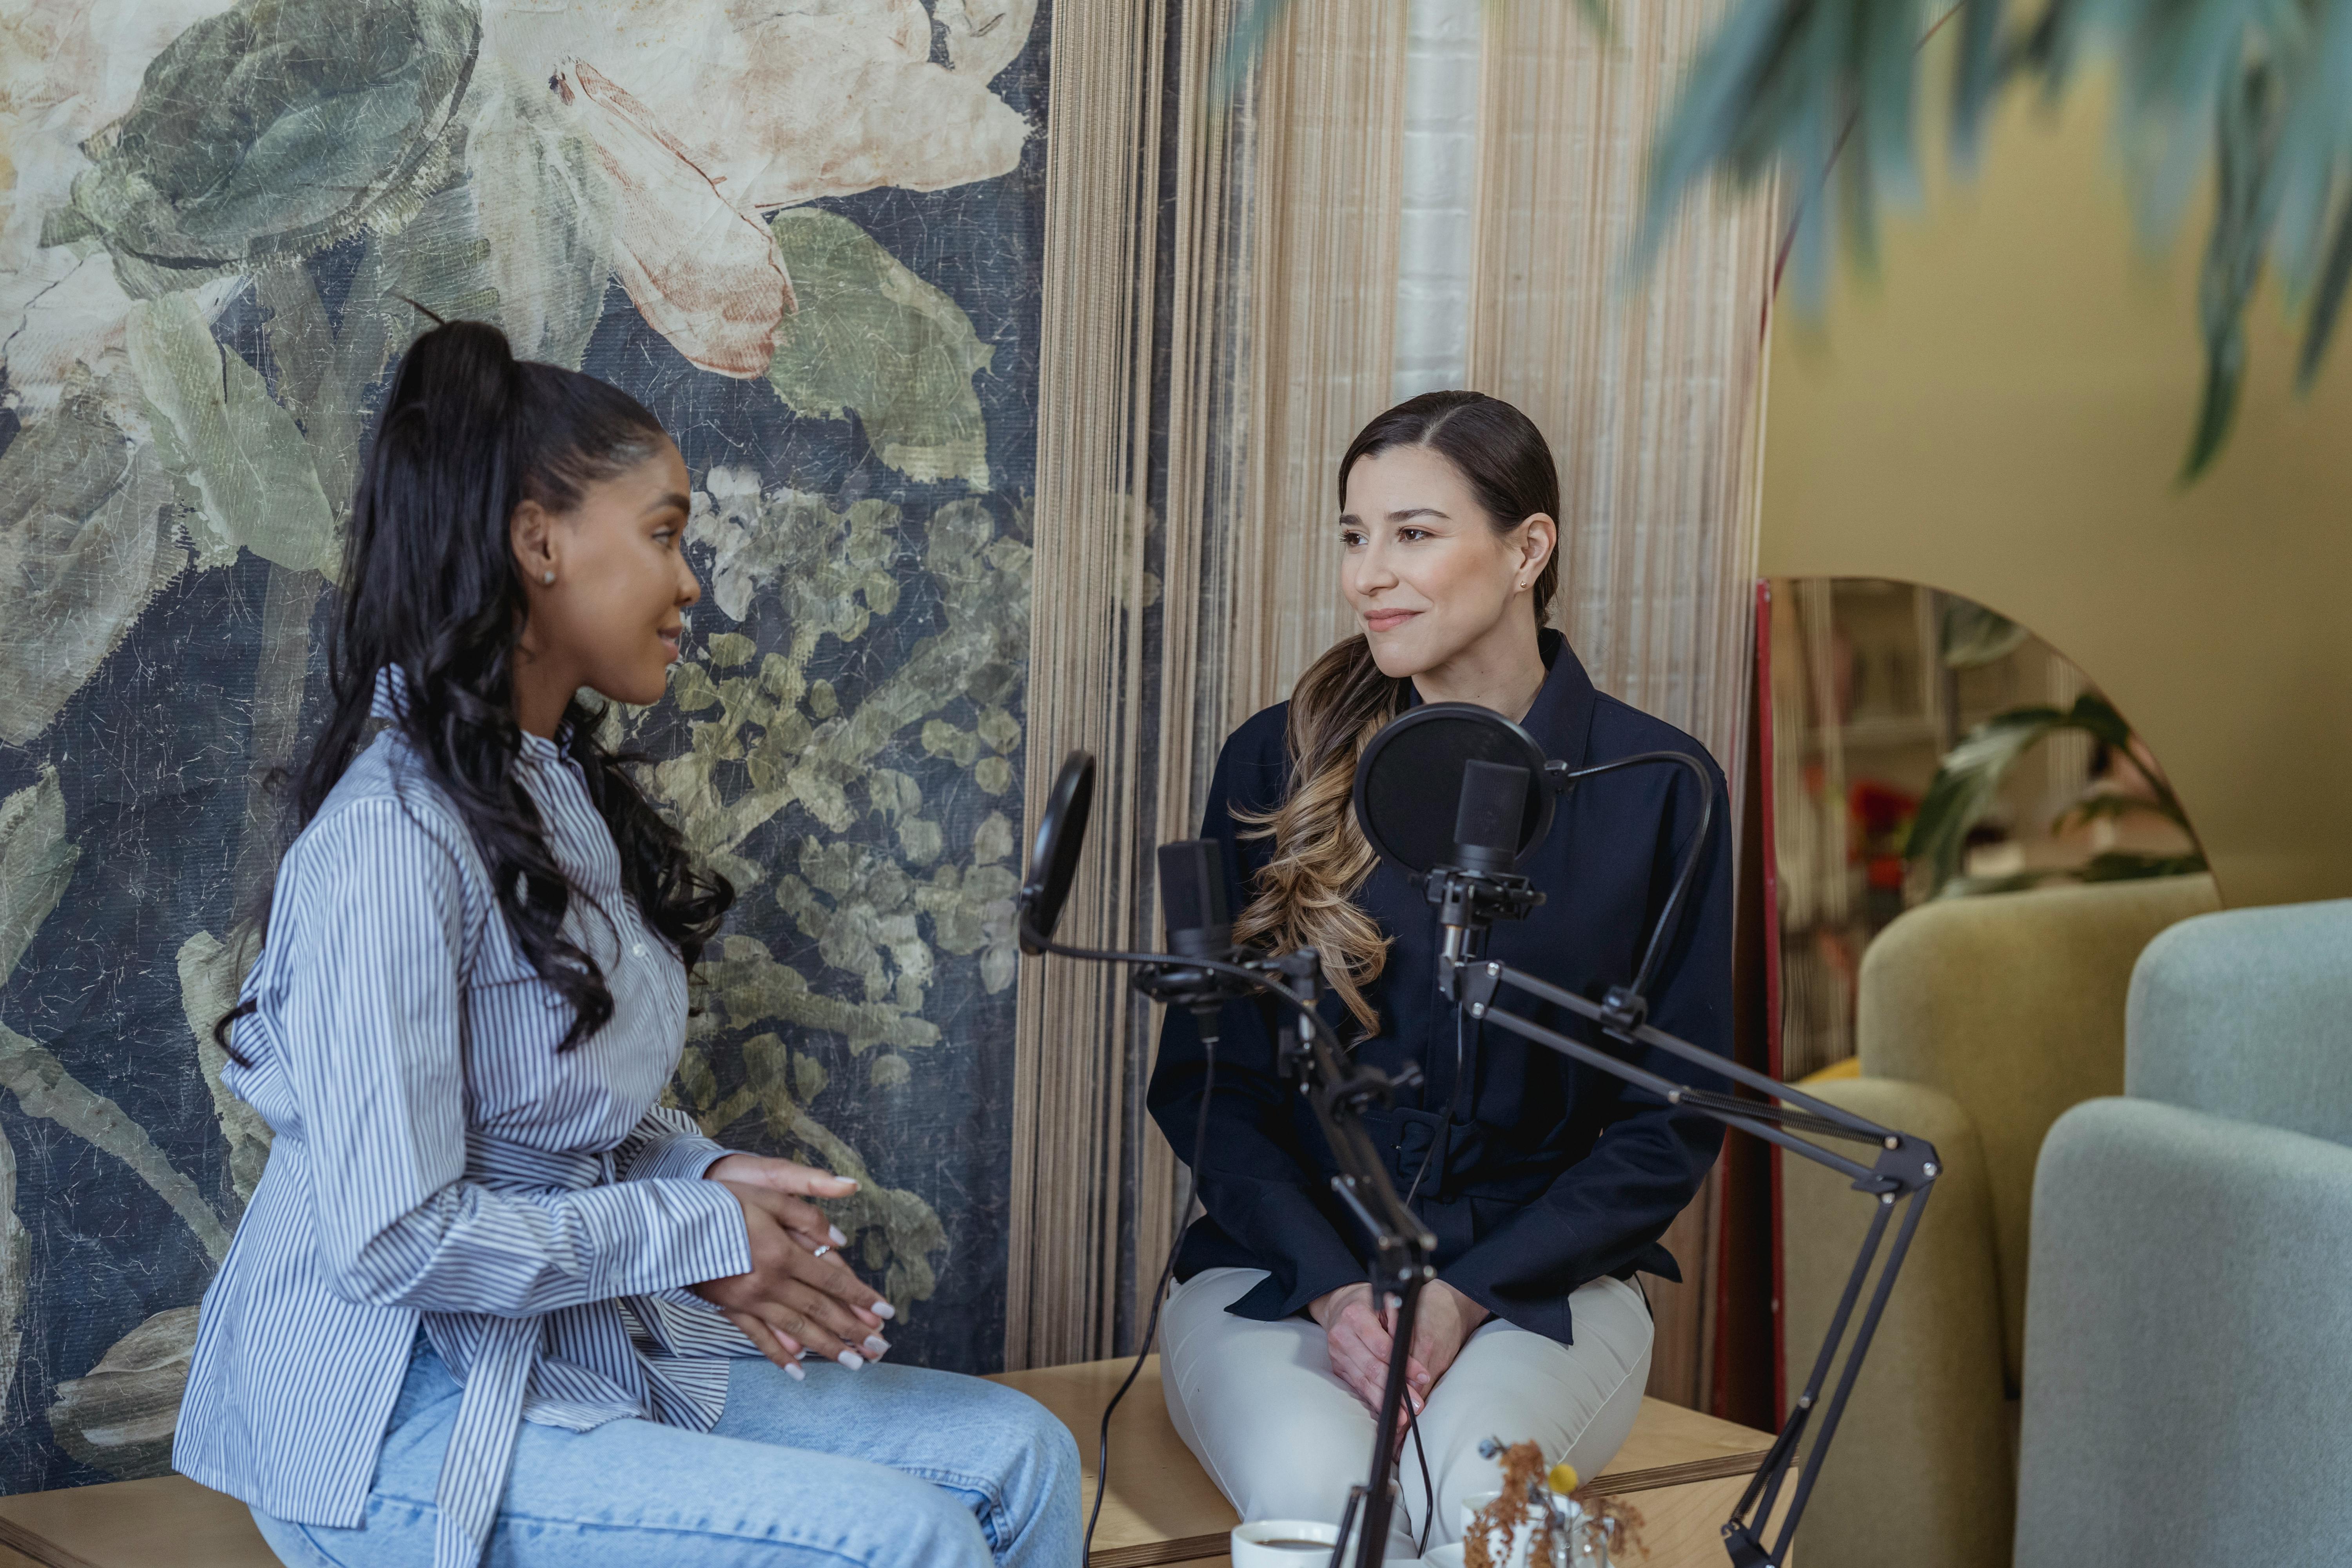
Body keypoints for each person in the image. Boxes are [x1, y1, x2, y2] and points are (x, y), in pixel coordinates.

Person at [172, 321, 1080, 1568]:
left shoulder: (543, 788)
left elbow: (545, 1109)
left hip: (569, 1351)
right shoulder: (389, 839)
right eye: (663, 532)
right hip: (395, 1425)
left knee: (1021, 1459)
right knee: (906, 1540)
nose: (690, 580)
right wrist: (690, 1237)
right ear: (538, 542)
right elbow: (395, 1239)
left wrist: (702, 1178)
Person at [1146, 391, 1733, 1560]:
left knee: (1487, 1516)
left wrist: (1460, 1299)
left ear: (1529, 549)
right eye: (1355, 536)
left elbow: (1671, 1124)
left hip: (1544, 1287)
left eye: (1413, 534)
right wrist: (1338, 1293)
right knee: (1326, 1504)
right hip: (1283, 1275)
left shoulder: (1662, 790)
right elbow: (1208, 1084)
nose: (1371, 575)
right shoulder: (1276, 758)